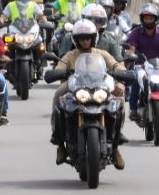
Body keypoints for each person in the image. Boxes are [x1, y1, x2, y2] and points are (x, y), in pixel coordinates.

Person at [51, 20, 126, 168]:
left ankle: (116, 145)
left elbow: (116, 65)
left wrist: (122, 77)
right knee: (58, 97)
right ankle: (60, 143)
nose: (85, 41)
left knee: (120, 102)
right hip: (75, 89)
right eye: (81, 38)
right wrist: (57, 72)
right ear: (76, 40)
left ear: (93, 38)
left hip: (100, 88)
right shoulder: (71, 55)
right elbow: (59, 67)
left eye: (87, 38)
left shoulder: (102, 54)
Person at [125, 3, 159, 123]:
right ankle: (133, 110)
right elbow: (132, 47)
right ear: (142, 19)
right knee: (134, 78)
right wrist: (131, 55)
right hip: (141, 66)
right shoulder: (136, 32)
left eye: (151, 18)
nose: (148, 20)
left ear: (156, 19)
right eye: (146, 18)